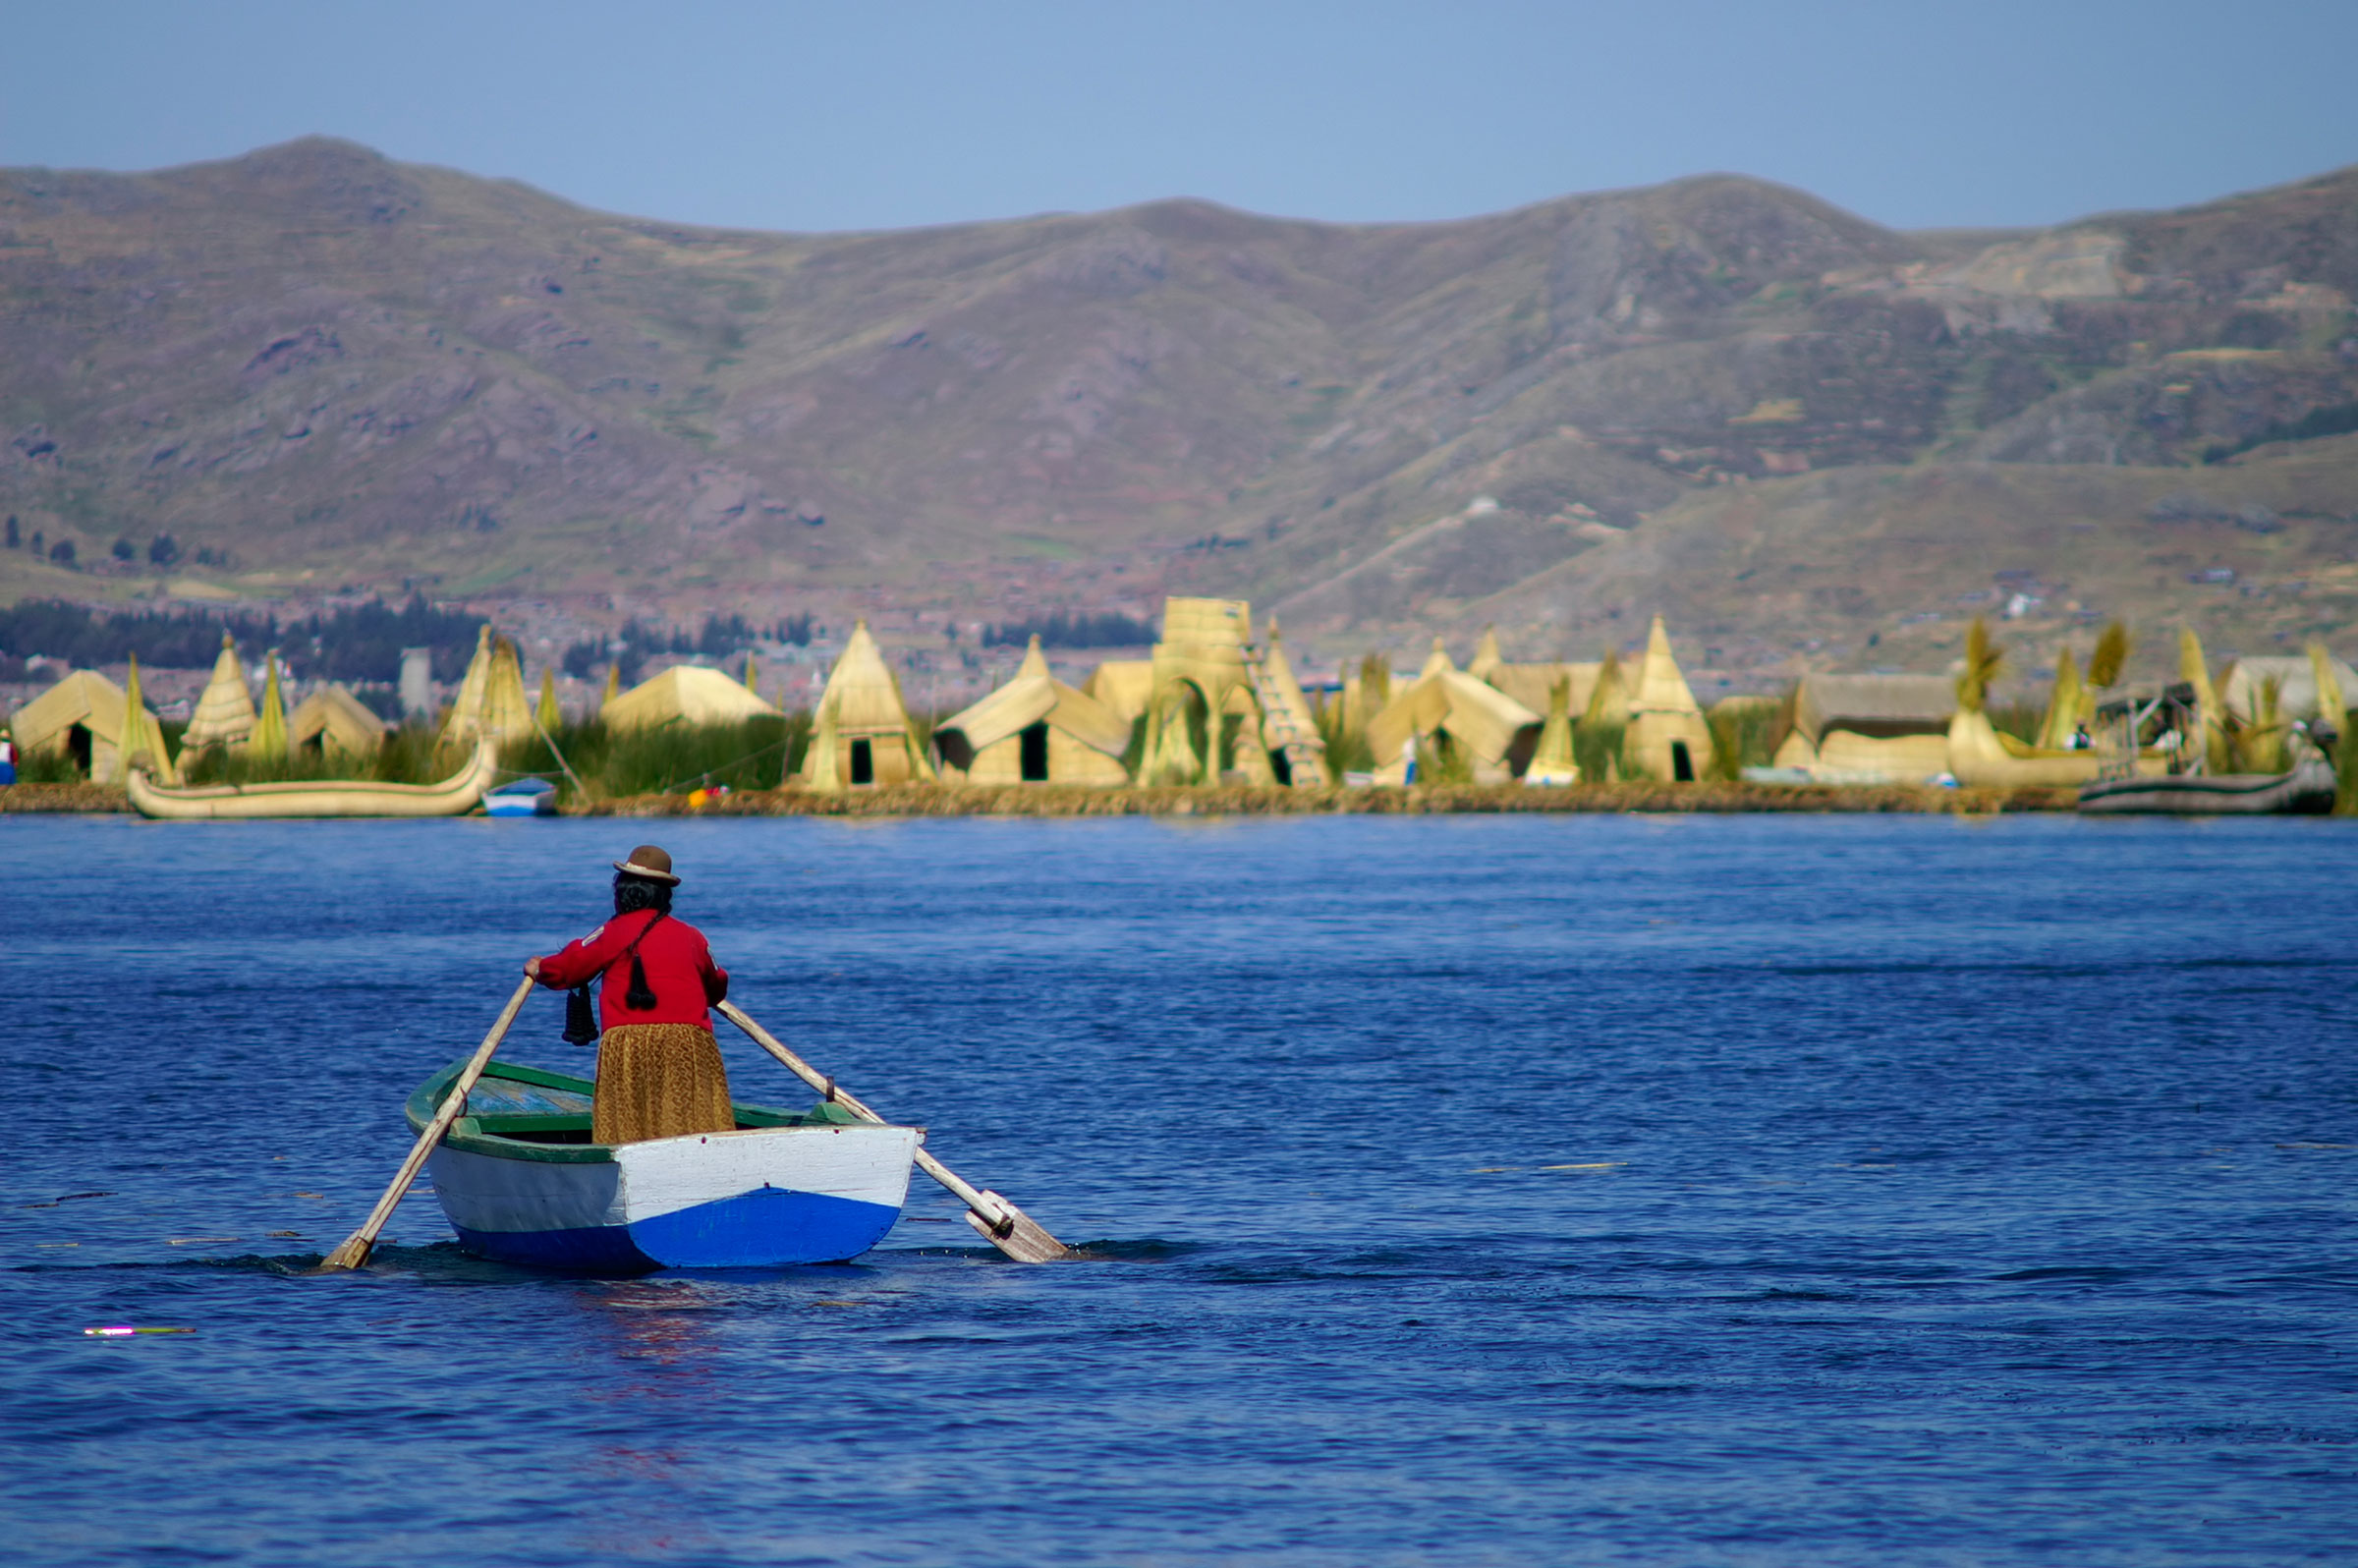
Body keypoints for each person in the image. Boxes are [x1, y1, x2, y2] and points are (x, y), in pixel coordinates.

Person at [526, 844, 734, 1146]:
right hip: (689, 1045)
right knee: (691, 1123)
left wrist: (540, 967)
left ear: (621, 891)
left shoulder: (611, 932)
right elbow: (716, 987)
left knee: (631, 1129)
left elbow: (567, 968)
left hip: (629, 1045)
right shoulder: (692, 936)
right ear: (665, 895)